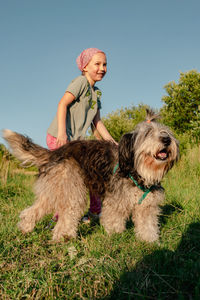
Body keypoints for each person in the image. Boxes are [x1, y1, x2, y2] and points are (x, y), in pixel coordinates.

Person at [46, 47, 117, 222]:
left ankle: (94, 212)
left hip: (77, 143)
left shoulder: (96, 93)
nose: (102, 68)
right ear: (85, 66)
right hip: (60, 137)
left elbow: (97, 122)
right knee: (68, 181)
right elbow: (62, 104)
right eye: (97, 64)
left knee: (92, 174)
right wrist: (62, 133)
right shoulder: (80, 82)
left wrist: (110, 142)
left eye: (105, 64)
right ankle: (58, 218)